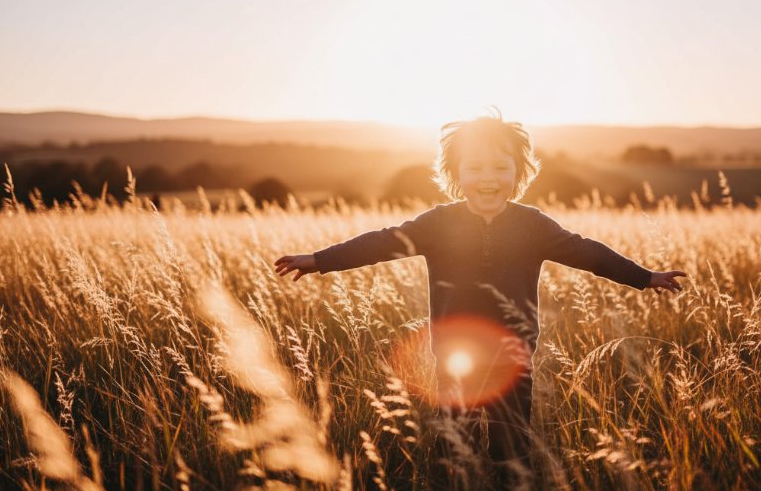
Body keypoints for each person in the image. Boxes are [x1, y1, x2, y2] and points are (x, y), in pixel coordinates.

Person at [274, 114, 687, 489]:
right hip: (455, 358)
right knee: (459, 451)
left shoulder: (533, 225)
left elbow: (589, 253)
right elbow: (381, 242)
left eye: (499, 166)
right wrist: (319, 261)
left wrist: (644, 277)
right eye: (474, 167)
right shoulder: (438, 223)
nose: (487, 176)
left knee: (512, 448)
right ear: (455, 173)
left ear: (518, 172)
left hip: (514, 356)